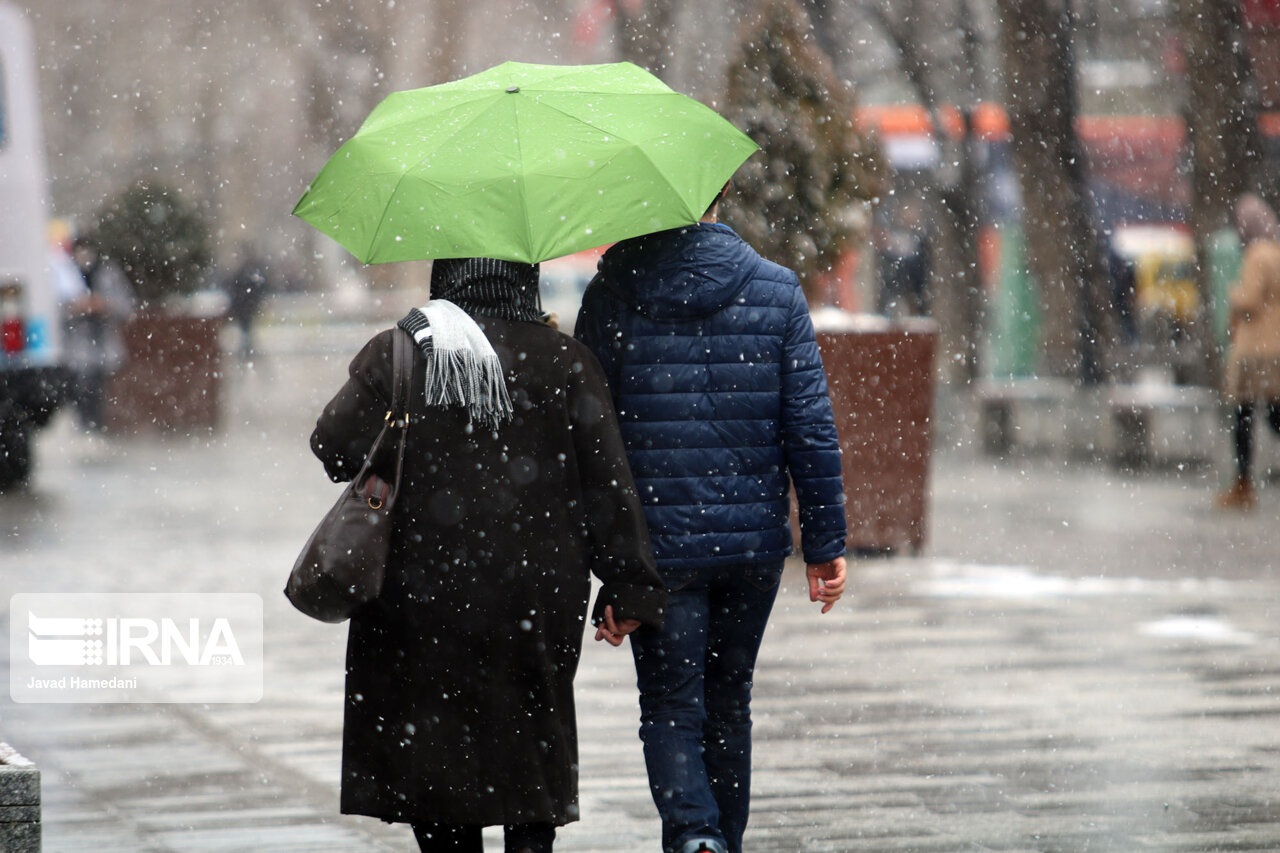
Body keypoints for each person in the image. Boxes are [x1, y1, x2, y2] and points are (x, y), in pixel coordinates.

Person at [309, 258, 667, 853]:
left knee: (437, 756)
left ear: (446, 274)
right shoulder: (565, 361)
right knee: (531, 742)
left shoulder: (400, 350)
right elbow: (608, 483)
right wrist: (631, 585)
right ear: (522, 275)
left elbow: (333, 447)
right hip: (535, 592)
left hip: (419, 590)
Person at [574, 186, 848, 853]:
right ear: (721, 195)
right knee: (728, 704)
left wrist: (612, 568)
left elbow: (589, 437)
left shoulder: (613, 292)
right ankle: (719, 840)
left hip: (658, 550)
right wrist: (824, 543)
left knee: (671, 708)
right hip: (752, 546)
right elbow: (809, 428)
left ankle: (697, 838)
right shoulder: (777, 290)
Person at [1218, 193, 1280, 510]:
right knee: (1272, 414)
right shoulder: (1276, 251)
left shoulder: (1257, 254)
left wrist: (1233, 294)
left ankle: (1242, 485)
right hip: (1275, 347)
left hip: (1256, 350)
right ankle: (1242, 484)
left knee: (1244, 417)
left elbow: (1251, 300)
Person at [64, 235, 135, 432]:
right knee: (81, 390)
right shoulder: (65, 275)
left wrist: (104, 305)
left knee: (100, 391)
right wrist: (75, 308)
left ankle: (97, 429)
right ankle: (85, 428)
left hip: (104, 347)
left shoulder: (107, 273)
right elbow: (55, 309)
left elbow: (126, 306)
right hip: (75, 349)